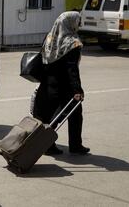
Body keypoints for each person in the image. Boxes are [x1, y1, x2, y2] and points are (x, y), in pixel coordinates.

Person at [33, 11, 90, 155]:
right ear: (71, 23)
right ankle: (75, 146)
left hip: (47, 84)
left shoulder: (50, 37)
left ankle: (48, 145)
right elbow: (72, 69)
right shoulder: (73, 42)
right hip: (64, 86)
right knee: (75, 115)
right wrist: (77, 90)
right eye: (77, 21)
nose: (79, 24)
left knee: (49, 116)